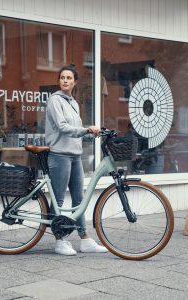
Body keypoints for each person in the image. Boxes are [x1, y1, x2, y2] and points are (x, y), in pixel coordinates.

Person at [45, 64, 108, 256]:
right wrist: (86, 129)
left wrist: (93, 133)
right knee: (59, 199)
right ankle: (59, 240)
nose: (65, 80)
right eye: (62, 77)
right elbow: (63, 127)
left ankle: (85, 239)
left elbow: (76, 133)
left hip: (75, 156)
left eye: (69, 78)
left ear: (75, 82)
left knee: (79, 199)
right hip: (59, 155)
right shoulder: (55, 100)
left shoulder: (74, 103)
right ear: (59, 81)